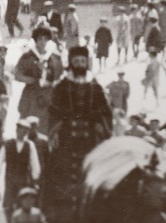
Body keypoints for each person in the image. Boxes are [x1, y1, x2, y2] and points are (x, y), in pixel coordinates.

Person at [44, 45, 112, 223]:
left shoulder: (95, 86)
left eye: (83, 61)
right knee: (54, 169)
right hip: (67, 138)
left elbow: (105, 111)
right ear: (71, 63)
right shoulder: (61, 86)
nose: (80, 64)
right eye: (76, 61)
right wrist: (54, 133)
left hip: (90, 139)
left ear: (87, 63)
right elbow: (53, 111)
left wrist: (101, 125)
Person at [15, 23, 62, 136]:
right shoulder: (28, 56)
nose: (43, 42)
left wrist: (53, 82)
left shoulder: (54, 56)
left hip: (48, 95)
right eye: (40, 39)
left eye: (45, 39)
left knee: (48, 126)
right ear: (35, 40)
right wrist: (30, 79)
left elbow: (60, 74)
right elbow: (17, 74)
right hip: (31, 94)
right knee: (27, 126)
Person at [0, 119, 41, 220]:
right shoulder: (7, 144)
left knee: (23, 207)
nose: (22, 133)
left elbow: (35, 165)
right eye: (20, 130)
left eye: (25, 131)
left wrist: (35, 179)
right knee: (8, 207)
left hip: (23, 182)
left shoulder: (30, 145)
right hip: (10, 182)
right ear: (16, 130)